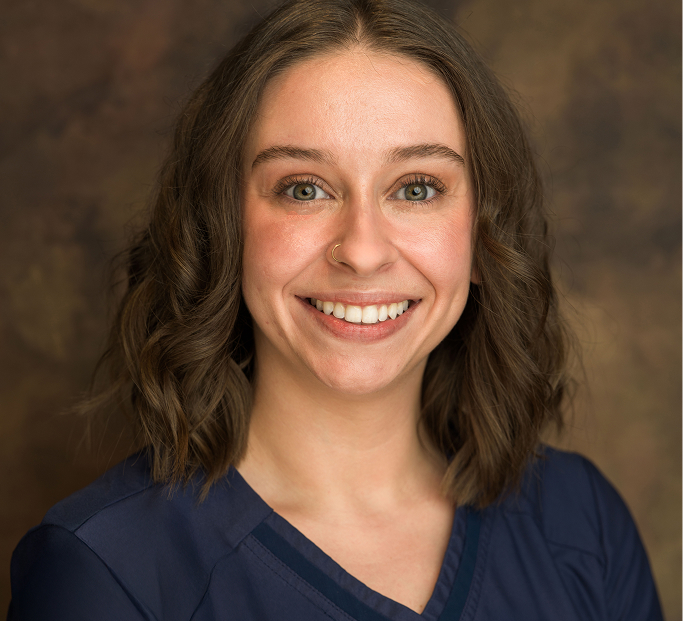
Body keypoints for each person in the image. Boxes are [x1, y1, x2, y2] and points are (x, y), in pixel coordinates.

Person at [8, 0, 662, 619]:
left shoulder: (580, 523)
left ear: (483, 233)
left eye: (415, 188)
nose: (362, 250)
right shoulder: (105, 568)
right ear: (222, 225)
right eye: (303, 189)